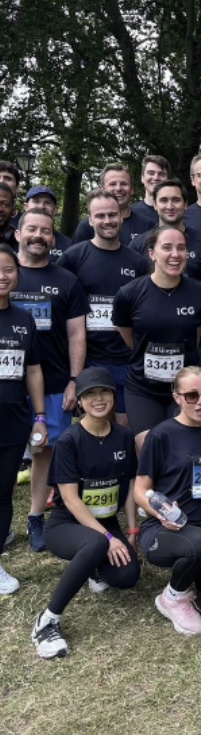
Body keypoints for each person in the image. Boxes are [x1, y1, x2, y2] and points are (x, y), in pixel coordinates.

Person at [31, 367, 139, 659]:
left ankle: (94, 565)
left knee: (127, 576)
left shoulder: (124, 437)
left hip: (106, 521)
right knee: (97, 543)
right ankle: (47, 620)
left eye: (104, 392)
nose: (98, 399)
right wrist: (107, 536)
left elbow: (128, 485)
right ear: (79, 401)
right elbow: (69, 498)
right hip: (67, 524)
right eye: (90, 394)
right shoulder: (69, 440)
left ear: (113, 396)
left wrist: (130, 532)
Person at [135, 367, 201, 634]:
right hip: (163, 531)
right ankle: (172, 597)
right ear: (177, 398)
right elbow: (140, 490)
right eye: (192, 395)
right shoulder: (160, 435)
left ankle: (191, 573)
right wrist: (160, 514)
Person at [13, 208, 88, 551]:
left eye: (45, 231)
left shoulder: (66, 280)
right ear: (18, 234)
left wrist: (75, 379)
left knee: (44, 450)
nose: (38, 236)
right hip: (8, 382)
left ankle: (35, 517)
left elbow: (76, 335)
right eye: (31, 229)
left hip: (56, 382)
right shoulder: (4, 274)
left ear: (53, 239)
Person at [113, 226, 201, 452]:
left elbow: (194, 336)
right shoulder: (129, 293)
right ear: (152, 253)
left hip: (184, 389)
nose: (175, 254)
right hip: (143, 387)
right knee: (147, 446)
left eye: (181, 248)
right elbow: (128, 335)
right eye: (167, 248)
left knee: (182, 447)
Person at [58, 188, 149, 429]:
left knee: (125, 426)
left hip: (126, 359)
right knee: (95, 426)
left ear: (121, 216)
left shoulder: (138, 262)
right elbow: (62, 309)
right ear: (90, 219)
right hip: (90, 358)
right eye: (100, 216)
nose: (107, 221)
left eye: (112, 215)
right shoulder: (72, 258)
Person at [0, 244, 47, 593]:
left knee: (3, 493)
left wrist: (40, 416)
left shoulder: (23, 318)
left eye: (8, 269)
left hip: (14, 420)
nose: (2, 276)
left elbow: (32, 370)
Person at [130, 179, 201, 282]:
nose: (170, 206)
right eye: (163, 200)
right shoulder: (138, 245)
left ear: (185, 204)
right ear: (155, 204)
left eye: (176, 200)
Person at [72, 164, 152, 245]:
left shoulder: (147, 226)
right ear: (102, 189)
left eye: (124, 184)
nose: (118, 188)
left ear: (132, 190)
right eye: (112, 184)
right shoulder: (87, 226)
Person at [22, 186, 71, 262]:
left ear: (55, 210)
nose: (41, 206)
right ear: (26, 206)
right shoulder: (10, 239)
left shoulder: (68, 245)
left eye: (47, 203)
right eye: (36, 201)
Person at [130, 155, 170, 224]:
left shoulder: (176, 213)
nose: (156, 178)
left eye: (161, 174)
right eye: (151, 173)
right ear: (142, 178)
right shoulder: (130, 212)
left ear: (168, 179)